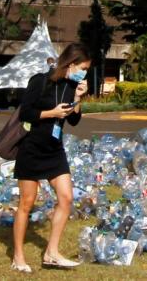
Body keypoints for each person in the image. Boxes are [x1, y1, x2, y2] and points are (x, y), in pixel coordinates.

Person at [11, 42, 90, 272]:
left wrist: (78, 98)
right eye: (83, 67)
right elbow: (25, 112)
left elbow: (73, 120)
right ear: (71, 63)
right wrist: (51, 113)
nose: (84, 72)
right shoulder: (40, 81)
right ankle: (18, 256)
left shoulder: (70, 86)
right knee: (26, 203)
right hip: (32, 148)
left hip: (55, 149)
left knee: (66, 198)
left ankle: (51, 253)